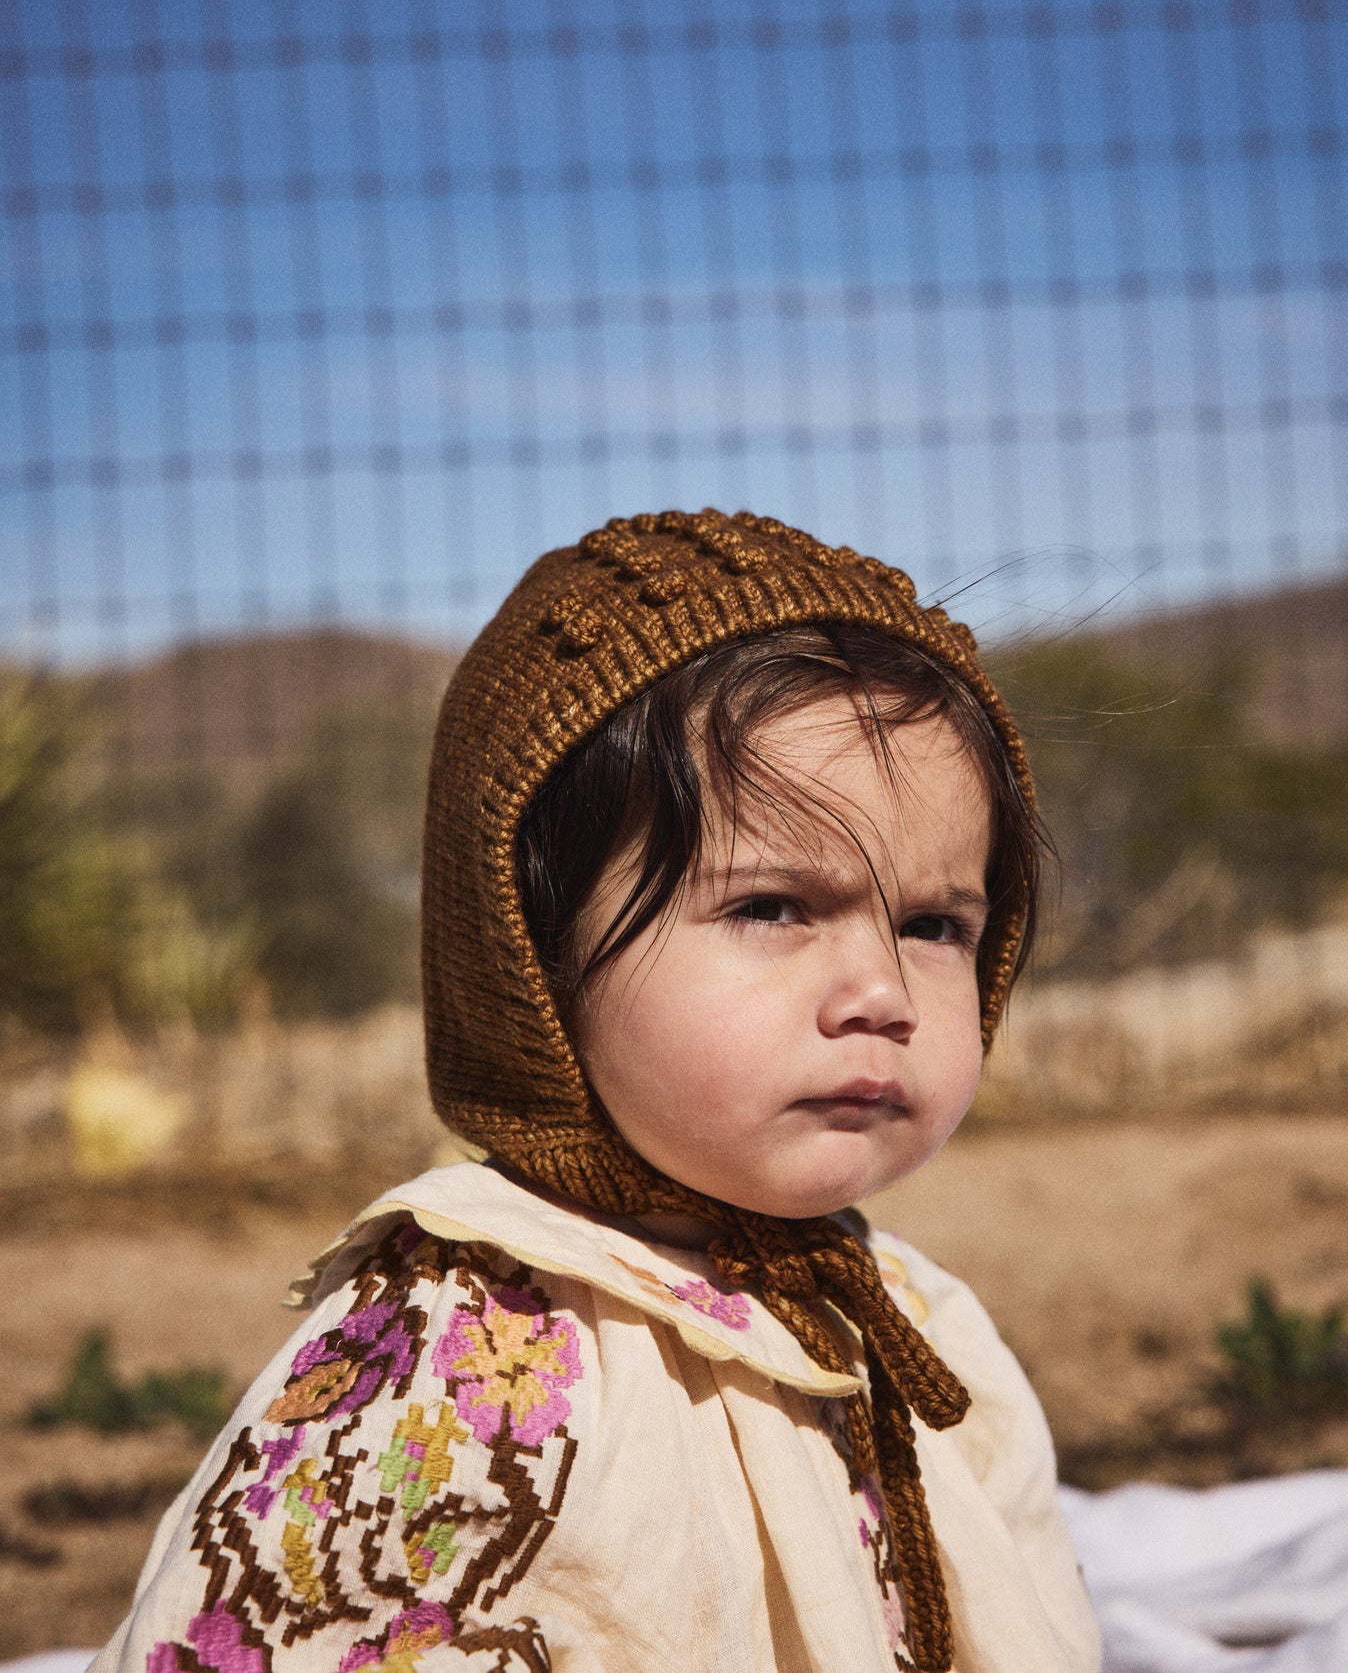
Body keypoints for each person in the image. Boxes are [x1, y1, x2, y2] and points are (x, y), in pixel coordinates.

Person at [93, 509, 1100, 1673]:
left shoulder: (917, 1330)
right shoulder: (463, 1351)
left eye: (934, 924)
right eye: (771, 907)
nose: (880, 989)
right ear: (529, 953)